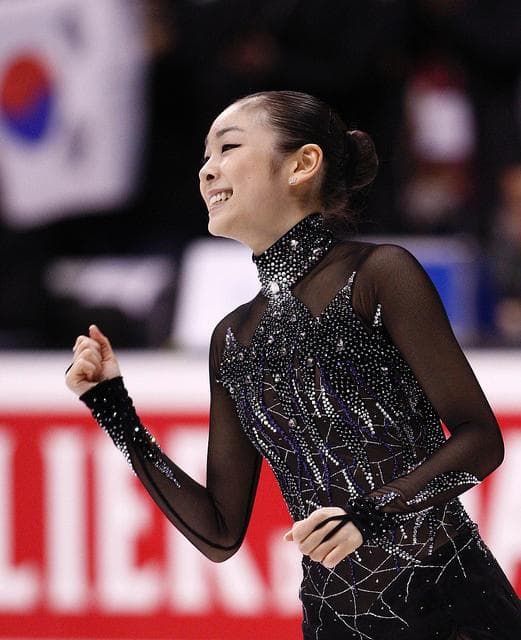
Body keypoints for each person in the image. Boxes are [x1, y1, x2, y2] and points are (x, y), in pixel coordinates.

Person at [66, 91, 521, 640]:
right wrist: (115, 412)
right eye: (204, 159)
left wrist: (371, 514)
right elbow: (218, 533)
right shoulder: (231, 339)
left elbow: (481, 441)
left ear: (303, 165)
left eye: (228, 148)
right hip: (332, 621)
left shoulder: (378, 276)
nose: (208, 170)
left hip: (450, 606)